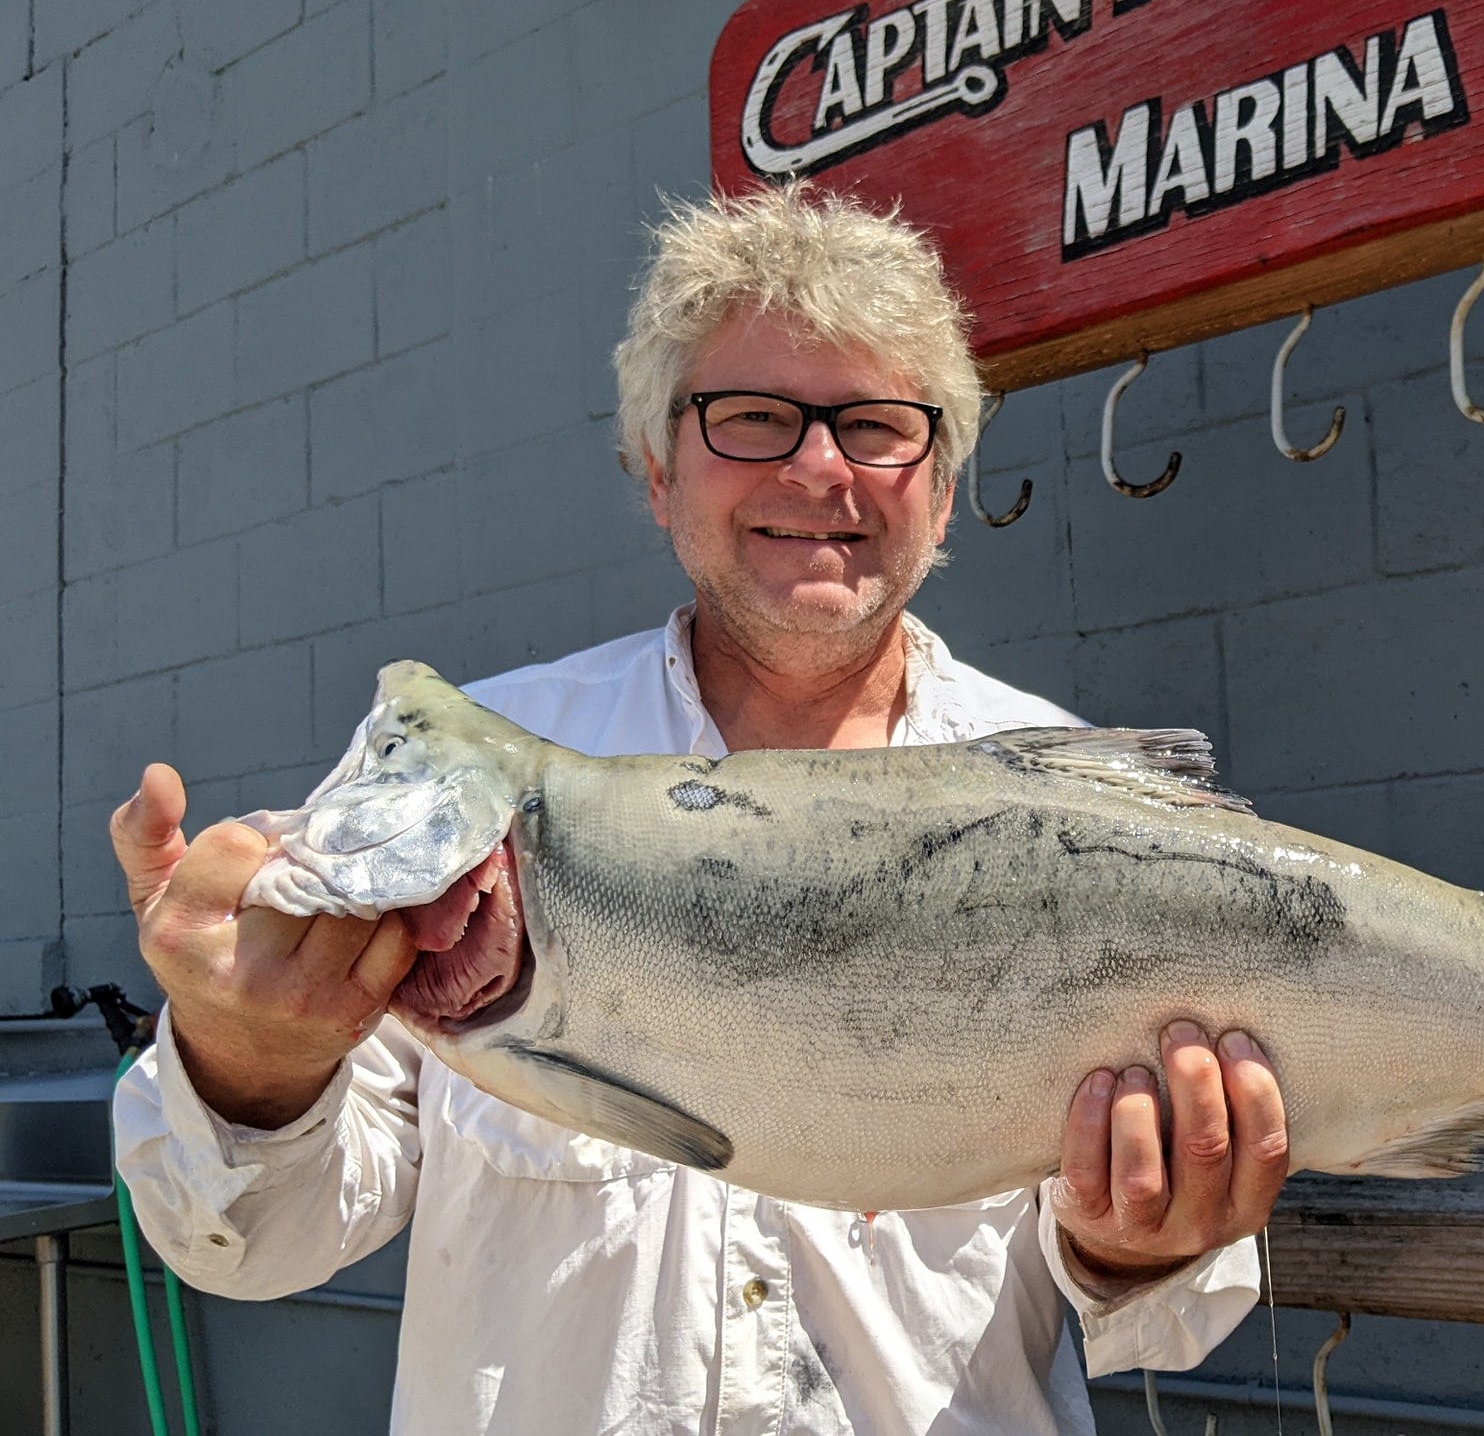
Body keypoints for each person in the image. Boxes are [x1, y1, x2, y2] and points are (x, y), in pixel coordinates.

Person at [111, 186, 1290, 1434]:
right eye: (754, 417)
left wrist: (1134, 1243)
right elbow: (257, 1243)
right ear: (657, 471)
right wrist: (250, 1061)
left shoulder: (1081, 804)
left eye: (875, 425)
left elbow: (1162, 1322)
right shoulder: (470, 777)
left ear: (940, 490)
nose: (819, 467)